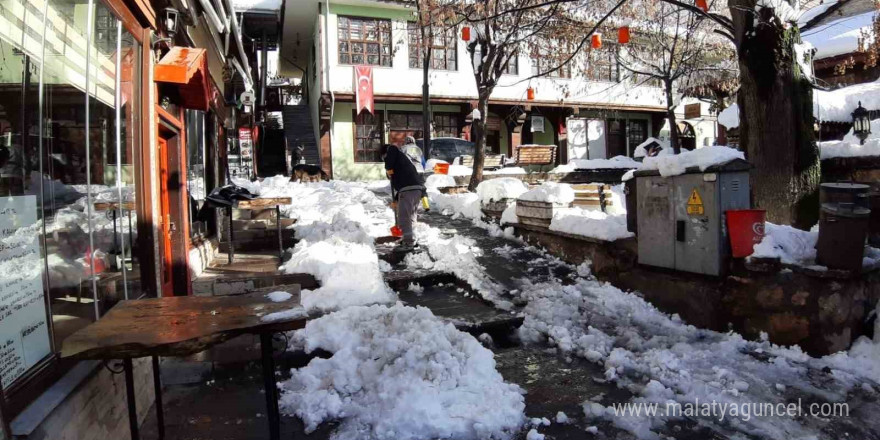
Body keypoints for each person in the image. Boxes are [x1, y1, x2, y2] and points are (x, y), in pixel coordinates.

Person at [381, 143, 425, 251]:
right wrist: (397, 199)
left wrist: (388, 167)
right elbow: (403, 182)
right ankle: (410, 238)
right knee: (411, 217)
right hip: (416, 190)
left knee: (404, 218)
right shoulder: (403, 161)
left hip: (408, 190)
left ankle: (408, 242)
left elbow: (390, 157)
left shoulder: (392, 150)